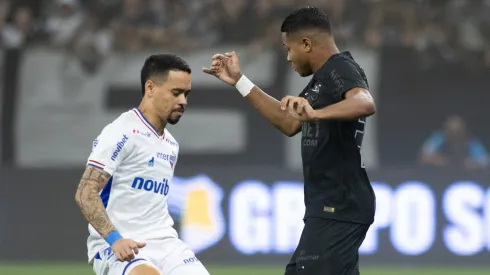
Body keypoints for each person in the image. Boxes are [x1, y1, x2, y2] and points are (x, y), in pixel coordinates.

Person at [203, 6, 376, 275]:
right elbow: (289, 122)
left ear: (306, 44)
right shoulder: (322, 81)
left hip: (338, 208)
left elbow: (365, 102)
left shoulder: (340, 68)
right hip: (330, 208)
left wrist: (316, 114)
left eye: (288, 48)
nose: (287, 57)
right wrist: (240, 81)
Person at [75, 54, 210, 275]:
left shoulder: (170, 144)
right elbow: (85, 193)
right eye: (176, 93)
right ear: (150, 88)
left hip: (166, 243)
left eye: (186, 94)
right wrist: (115, 239)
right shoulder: (122, 131)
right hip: (120, 245)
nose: (183, 101)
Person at [419, 115, 489, 169]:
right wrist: (439, 160)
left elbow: (486, 162)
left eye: (458, 134)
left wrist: (473, 164)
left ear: (463, 133)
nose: (455, 138)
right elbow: (422, 158)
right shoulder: (438, 139)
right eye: (452, 134)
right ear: (446, 132)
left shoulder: (472, 143)